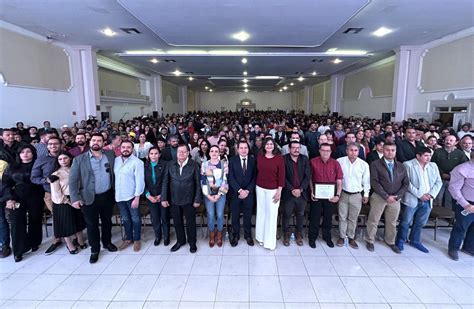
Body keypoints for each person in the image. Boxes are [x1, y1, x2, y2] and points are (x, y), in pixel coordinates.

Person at [69, 133, 118, 263]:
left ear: (103, 143)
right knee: (92, 225)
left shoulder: (110, 155)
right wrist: (74, 198)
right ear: (89, 142)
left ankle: (107, 242)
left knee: (107, 221)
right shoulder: (79, 159)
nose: (96, 142)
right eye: (94, 140)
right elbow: (73, 181)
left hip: (107, 195)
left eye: (99, 140)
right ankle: (95, 249)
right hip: (88, 197)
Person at [395, 146, 442, 253]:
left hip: (428, 199)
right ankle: (400, 240)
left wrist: (430, 194)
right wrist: (420, 194)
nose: (428, 158)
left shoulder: (433, 166)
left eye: (430, 155)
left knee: (420, 222)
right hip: (412, 198)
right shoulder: (408, 165)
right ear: (418, 156)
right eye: (426, 155)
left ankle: (415, 240)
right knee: (405, 221)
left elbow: (438, 182)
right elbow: (407, 183)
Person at [2, 144, 44, 262]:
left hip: (35, 195)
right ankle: (19, 250)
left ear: (33, 153)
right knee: (16, 222)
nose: (25, 154)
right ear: (18, 154)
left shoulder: (38, 165)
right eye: (22, 152)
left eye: (28, 152)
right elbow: (5, 184)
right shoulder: (12, 166)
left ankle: (34, 242)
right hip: (17, 196)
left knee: (35, 219)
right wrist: (9, 198)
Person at [366, 142, 409, 253]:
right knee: (373, 220)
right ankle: (370, 240)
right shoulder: (375, 164)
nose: (390, 152)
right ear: (383, 150)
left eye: (392, 150)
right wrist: (386, 196)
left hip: (395, 198)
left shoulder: (401, 166)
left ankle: (390, 241)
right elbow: (374, 182)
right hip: (379, 197)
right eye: (387, 150)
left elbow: (405, 184)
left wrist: (397, 196)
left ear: (395, 151)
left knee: (392, 221)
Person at [161, 144, 202, 253]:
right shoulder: (170, 164)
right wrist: (164, 198)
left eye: (184, 152)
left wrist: (197, 199)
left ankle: (192, 242)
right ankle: (180, 240)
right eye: (179, 151)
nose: (181, 154)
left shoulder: (194, 165)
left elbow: (198, 184)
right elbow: (165, 182)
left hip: (189, 199)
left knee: (190, 222)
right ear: (177, 153)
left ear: (188, 153)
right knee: (177, 222)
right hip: (174, 199)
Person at [30, 136, 63, 254]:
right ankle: (57, 239)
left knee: (70, 214)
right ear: (47, 146)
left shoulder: (67, 157)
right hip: (50, 193)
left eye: (55, 144)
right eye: (50, 144)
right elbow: (34, 178)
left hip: (66, 192)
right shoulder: (41, 159)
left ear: (61, 144)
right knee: (57, 216)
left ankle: (74, 238)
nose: (53, 146)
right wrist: (46, 180)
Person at [50, 151, 87, 255]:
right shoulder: (55, 174)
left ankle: (80, 240)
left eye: (65, 158)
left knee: (78, 221)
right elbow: (56, 193)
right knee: (65, 225)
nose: (63, 161)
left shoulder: (76, 169)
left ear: (70, 158)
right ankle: (69, 245)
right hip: (63, 202)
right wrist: (69, 202)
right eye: (60, 159)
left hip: (77, 198)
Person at [336, 142, 370, 249]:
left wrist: (366, 194)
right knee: (342, 217)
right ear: (347, 151)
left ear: (359, 152)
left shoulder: (364, 164)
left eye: (356, 150)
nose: (353, 153)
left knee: (353, 218)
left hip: (356, 195)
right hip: (343, 193)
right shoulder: (339, 161)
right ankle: (341, 236)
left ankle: (351, 237)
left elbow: (366, 181)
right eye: (351, 150)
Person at [309, 143, 343, 248]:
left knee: (328, 218)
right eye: (323, 150)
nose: (325, 152)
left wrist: (337, 195)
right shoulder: (312, 162)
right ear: (319, 151)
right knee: (315, 217)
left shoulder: (335, 163)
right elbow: (309, 178)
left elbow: (339, 180)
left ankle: (327, 237)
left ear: (331, 152)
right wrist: (311, 191)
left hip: (330, 196)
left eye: (328, 151)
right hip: (317, 195)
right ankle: (312, 238)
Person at [255, 137, 285, 250]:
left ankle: (269, 242)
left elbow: (282, 176)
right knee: (261, 212)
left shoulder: (279, 159)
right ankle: (260, 238)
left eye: (271, 144)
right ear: (264, 146)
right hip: (260, 188)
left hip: (273, 190)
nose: (269, 146)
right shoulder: (260, 157)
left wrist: (279, 191)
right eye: (267, 144)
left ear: (274, 146)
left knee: (271, 215)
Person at [115, 140, 145, 251]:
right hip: (119, 196)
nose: (126, 149)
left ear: (132, 149)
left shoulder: (137, 162)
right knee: (126, 219)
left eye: (128, 147)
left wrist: (137, 197)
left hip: (132, 196)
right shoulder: (116, 161)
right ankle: (128, 239)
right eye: (123, 147)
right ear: (120, 149)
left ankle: (137, 240)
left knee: (135, 219)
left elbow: (140, 181)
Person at [281, 141, 310, 246]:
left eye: (298, 148)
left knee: (300, 215)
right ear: (289, 149)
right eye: (293, 148)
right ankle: (286, 233)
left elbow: (307, 176)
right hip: (289, 193)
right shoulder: (283, 159)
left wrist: (301, 189)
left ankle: (299, 233)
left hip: (302, 193)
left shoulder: (305, 159)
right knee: (287, 214)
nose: (296, 150)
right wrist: (292, 189)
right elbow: (282, 176)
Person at [228, 141, 257, 247]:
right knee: (235, 215)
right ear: (238, 149)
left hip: (249, 193)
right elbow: (230, 177)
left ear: (248, 149)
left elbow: (255, 177)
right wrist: (240, 190)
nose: (244, 150)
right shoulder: (232, 160)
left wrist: (247, 191)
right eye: (241, 148)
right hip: (236, 193)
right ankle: (235, 235)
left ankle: (248, 235)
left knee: (248, 215)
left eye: (246, 148)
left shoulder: (253, 160)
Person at [447, 151, 474, 261]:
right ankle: (453, 248)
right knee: (461, 227)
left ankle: (469, 248)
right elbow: (454, 188)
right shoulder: (462, 169)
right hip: (466, 203)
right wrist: (466, 205)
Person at [201, 145, 229, 247]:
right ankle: (212, 235)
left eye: (216, 151)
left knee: (220, 215)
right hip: (208, 193)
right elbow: (203, 181)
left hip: (221, 193)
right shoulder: (204, 164)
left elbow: (225, 180)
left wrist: (219, 194)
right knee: (211, 215)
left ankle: (219, 235)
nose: (214, 153)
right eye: (212, 151)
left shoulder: (223, 164)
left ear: (219, 153)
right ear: (209, 153)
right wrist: (208, 195)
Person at [431, 135, 468, 209]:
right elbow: (433, 165)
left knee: (450, 199)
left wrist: (452, 175)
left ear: (456, 142)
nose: (448, 142)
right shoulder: (438, 151)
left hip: (454, 180)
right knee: (438, 197)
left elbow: (463, 166)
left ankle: (448, 215)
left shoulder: (460, 153)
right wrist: (442, 174)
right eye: (447, 140)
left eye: (451, 140)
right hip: (439, 179)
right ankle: (435, 215)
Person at [144, 147, 170, 246]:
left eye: (156, 153)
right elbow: (142, 182)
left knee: (164, 217)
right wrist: (148, 195)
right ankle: (158, 236)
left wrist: (162, 196)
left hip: (162, 196)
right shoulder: (144, 166)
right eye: (151, 153)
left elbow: (166, 181)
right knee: (155, 218)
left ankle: (166, 236)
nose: (154, 156)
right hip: (150, 196)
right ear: (148, 155)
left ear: (159, 155)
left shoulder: (165, 165)